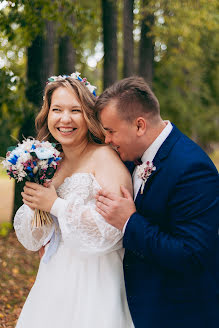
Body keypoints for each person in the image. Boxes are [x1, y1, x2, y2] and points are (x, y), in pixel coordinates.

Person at [95, 76, 219, 328]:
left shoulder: (192, 168)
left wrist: (130, 222)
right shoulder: (130, 156)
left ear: (139, 126)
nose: (107, 140)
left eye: (110, 131)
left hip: (179, 315)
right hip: (138, 310)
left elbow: (192, 255)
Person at [14, 73, 134, 328]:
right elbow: (35, 238)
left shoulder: (105, 158)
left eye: (75, 110)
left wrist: (55, 205)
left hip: (96, 282)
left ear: (89, 116)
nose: (64, 119)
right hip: (53, 279)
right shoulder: (51, 163)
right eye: (56, 109)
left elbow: (113, 231)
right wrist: (36, 208)